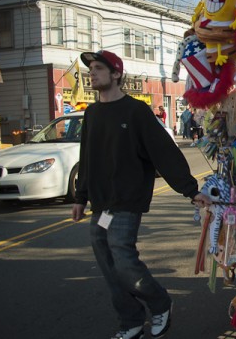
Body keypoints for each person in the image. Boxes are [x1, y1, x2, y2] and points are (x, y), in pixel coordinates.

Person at [71, 50, 212, 339]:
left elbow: (164, 153)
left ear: (116, 74)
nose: (92, 73)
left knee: (123, 261)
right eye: (91, 69)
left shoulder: (135, 111)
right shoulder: (92, 112)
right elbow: (87, 157)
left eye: (98, 68)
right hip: (100, 203)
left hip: (127, 200)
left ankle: (161, 302)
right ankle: (131, 321)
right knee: (109, 267)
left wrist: (190, 190)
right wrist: (80, 197)